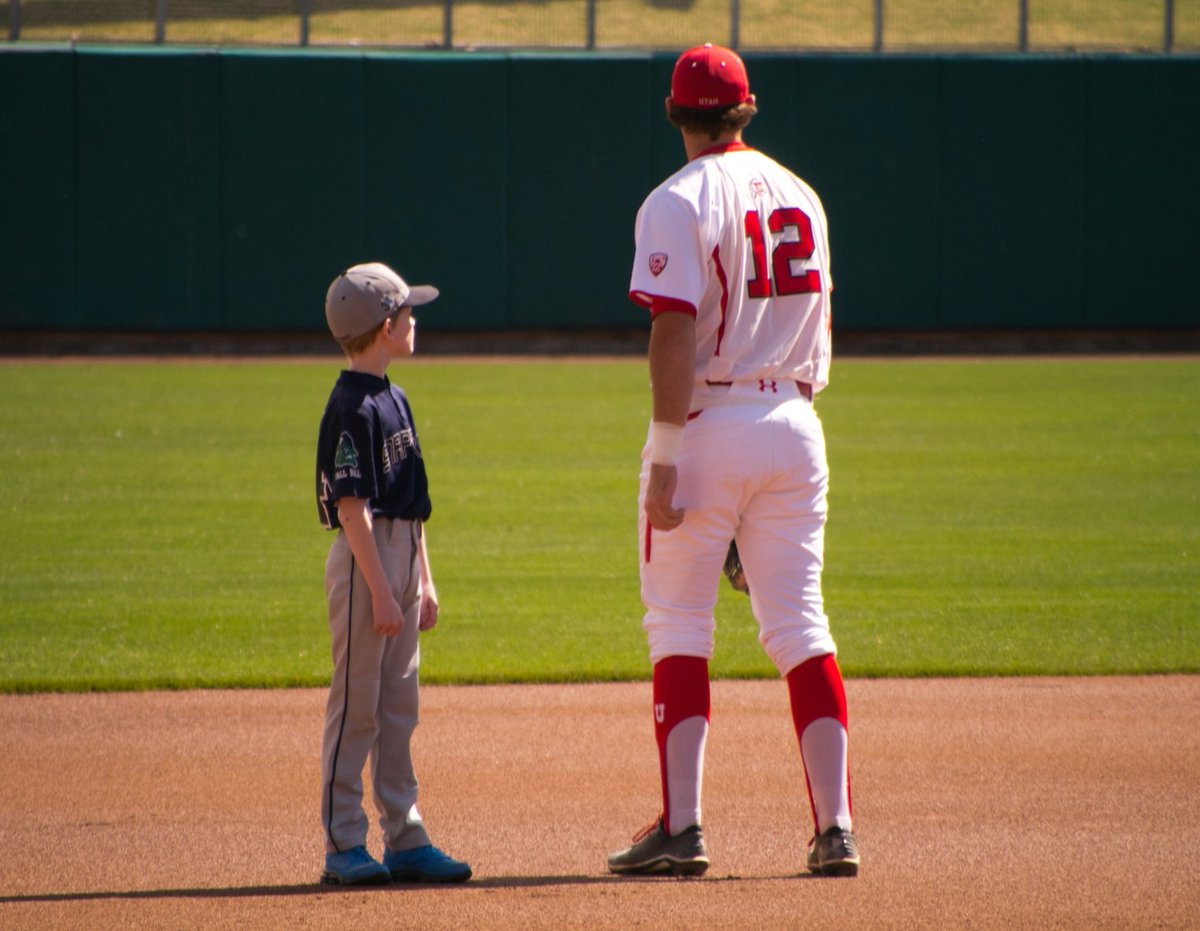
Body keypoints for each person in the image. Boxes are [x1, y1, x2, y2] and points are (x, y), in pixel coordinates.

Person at [606, 44, 860, 879]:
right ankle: (837, 829)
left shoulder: (676, 199)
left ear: (676, 113)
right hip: (796, 417)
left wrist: (667, 455)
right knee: (801, 627)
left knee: (679, 626)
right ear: (746, 108)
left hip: (711, 420)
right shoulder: (804, 194)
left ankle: (681, 828)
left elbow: (672, 330)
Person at [315, 262, 471, 885]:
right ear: (385, 327)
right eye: (408, 312)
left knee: (400, 705)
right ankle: (343, 844)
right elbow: (353, 512)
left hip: (402, 552)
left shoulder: (395, 396)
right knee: (359, 704)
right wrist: (382, 591)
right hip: (366, 563)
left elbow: (412, 504)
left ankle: (405, 838)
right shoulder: (350, 407)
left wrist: (423, 579)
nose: (415, 320)